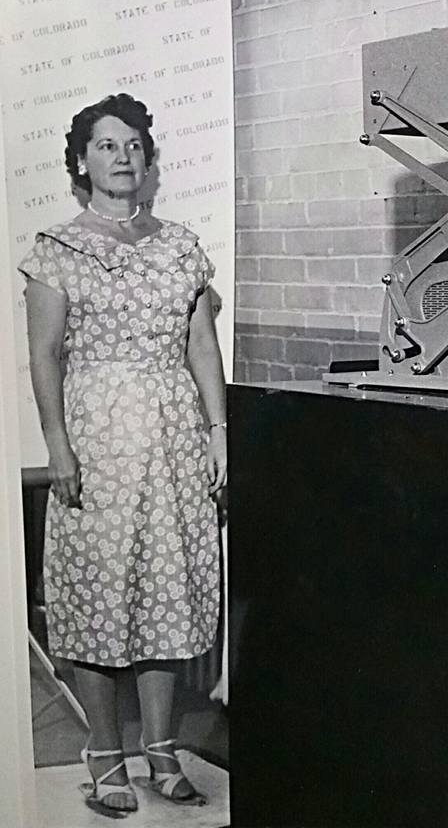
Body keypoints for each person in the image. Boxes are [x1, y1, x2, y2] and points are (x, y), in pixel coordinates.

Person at [18, 93, 227, 815]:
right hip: (98, 441)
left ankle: (162, 750)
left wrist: (218, 432)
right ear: (82, 162)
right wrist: (57, 447)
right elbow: (44, 355)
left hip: (173, 440)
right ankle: (106, 753)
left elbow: (202, 344)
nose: (124, 156)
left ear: (149, 158)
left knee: (168, 595)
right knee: (98, 598)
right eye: (107, 145)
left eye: (134, 144)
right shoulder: (58, 247)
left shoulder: (180, 246)